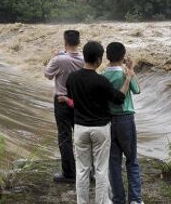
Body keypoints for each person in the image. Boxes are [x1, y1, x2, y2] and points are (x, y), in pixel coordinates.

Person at [67, 41, 133, 204]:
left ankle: (82, 202)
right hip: (100, 129)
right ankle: (101, 201)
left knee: (82, 170)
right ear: (98, 59)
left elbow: (71, 97)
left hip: (80, 128)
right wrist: (128, 78)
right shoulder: (101, 81)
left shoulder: (72, 78)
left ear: (84, 57)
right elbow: (118, 99)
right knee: (101, 169)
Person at [103, 42, 143, 204]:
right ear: (123, 56)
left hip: (109, 121)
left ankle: (118, 199)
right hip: (126, 120)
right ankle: (134, 199)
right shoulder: (125, 74)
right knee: (132, 160)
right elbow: (137, 90)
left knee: (114, 162)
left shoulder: (103, 76)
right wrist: (131, 71)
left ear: (107, 56)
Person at [44, 30, 84, 183]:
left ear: (65, 41)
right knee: (82, 136)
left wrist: (53, 57)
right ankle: (87, 170)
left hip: (62, 100)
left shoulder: (59, 60)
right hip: (80, 101)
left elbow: (48, 74)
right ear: (78, 42)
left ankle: (69, 173)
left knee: (65, 136)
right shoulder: (84, 58)